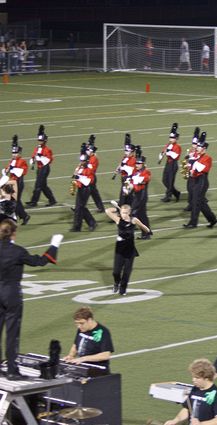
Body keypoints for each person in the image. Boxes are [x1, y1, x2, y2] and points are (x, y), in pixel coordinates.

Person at [0, 219, 61, 380]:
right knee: (12, 333)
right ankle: (12, 371)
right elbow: (39, 262)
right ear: (14, 233)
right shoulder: (18, 251)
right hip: (12, 293)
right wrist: (54, 246)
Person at [165, 359, 217, 425]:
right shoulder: (195, 389)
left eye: (197, 378)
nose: (193, 380)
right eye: (193, 377)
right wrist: (174, 421)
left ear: (206, 378)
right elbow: (187, 410)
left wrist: (201, 424)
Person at [105, 202, 150, 296]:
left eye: (126, 213)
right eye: (122, 213)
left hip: (130, 249)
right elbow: (107, 211)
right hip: (120, 249)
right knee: (116, 272)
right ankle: (116, 283)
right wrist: (117, 209)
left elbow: (145, 228)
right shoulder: (118, 219)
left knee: (127, 271)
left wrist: (146, 230)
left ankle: (123, 289)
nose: (124, 215)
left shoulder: (134, 220)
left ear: (129, 212)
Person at [183, 133, 217, 229]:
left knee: (195, 202)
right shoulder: (197, 157)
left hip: (202, 181)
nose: (197, 148)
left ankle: (193, 223)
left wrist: (193, 163)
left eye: (200, 146)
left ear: (204, 149)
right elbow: (194, 168)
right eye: (198, 146)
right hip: (196, 180)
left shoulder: (207, 158)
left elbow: (203, 169)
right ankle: (212, 219)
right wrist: (189, 167)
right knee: (201, 202)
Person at [63, 306, 114, 372]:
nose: (79, 326)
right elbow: (76, 344)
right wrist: (70, 356)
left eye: (82, 323)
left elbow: (105, 355)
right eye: (77, 323)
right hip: (83, 368)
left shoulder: (103, 332)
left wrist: (83, 359)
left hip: (98, 371)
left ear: (89, 320)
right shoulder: (81, 328)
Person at [26, 125, 57, 207]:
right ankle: (52, 200)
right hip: (39, 168)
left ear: (44, 141)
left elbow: (48, 160)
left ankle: (34, 201)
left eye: (41, 140)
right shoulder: (37, 148)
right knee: (43, 186)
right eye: (39, 140)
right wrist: (32, 160)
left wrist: (39, 158)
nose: (39, 141)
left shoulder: (47, 150)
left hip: (45, 169)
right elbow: (33, 156)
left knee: (38, 185)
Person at [3, 136, 30, 225]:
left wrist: (12, 169)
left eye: (16, 153)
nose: (14, 154)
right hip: (12, 183)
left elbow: (22, 172)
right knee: (14, 200)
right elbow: (6, 170)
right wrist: (6, 170)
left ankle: (24, 216)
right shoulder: (12, 161)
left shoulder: (22, 161)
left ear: (19, 153)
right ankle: (21, 215)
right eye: (13, 153)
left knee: (15, 200)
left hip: (18, 182)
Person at [70, 150, 98, 232]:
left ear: (87, 161)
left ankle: (83, 225)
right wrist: (74, 183)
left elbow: (88, 181)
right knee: (79, 207)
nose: (81, 162)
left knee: (80, 207)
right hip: (80, 188)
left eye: (83, 161)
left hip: (86, 189)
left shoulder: (90, 169)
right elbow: (75, 176)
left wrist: (78, 178)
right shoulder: (79, 168)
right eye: (81, 161)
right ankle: (80, 225)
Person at [129, 149, 152, 239]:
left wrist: (133, 181)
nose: (137, 165)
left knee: (137, 214)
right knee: (142, 215)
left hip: (142, 196)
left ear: (143, 164)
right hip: (137, 195)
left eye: (139, 164)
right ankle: (146, 233)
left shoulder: (146, 172)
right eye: (136, 163)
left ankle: (145, 233)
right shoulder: (135, 172)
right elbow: (132, 181)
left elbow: (143, 180)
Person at [159, 123, 182, 202]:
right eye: (170, 137)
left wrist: (168, 151)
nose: (171, 139)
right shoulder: (168, 145)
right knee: (164, 180)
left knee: (170, 181)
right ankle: (176, 193)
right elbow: (163, 151)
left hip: (173, 164)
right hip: (168, 163)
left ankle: (168, 196)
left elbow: (175, 156)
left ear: (176, 139)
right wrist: (162, 154)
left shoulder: (177, 147)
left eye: (172, 138)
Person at [86, 136, 105, 212]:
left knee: (86, 193)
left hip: (91, 177)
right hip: (89, 177)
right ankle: (101, 207)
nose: (87, 151)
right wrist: (90, 141)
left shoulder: (93, 159)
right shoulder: (90, 156)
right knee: (94, 193)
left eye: (89, 150)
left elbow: (90, 169)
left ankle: (80, 206)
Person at [116, 135, 136, 206]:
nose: (126, 152)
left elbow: (131, 171)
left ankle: (121, 207)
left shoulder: (134, 160)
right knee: (127, 195)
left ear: (132, 152)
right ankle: (129, 205)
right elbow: (121, 164)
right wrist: (119, 168)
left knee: (124, 194)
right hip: (123, 177)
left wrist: (123, 167)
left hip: (128, 179)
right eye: (125, 151)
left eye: (127, 151)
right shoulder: (125, 157)